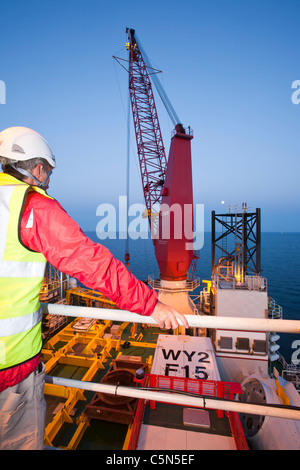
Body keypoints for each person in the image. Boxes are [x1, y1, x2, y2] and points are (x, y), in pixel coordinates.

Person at [0, 126, 189, 450]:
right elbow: (91, 263)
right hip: (10, 371)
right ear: (37, 168)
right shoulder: (29, 207)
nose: (47, 181)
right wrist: (151, 304)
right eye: (47, 173)